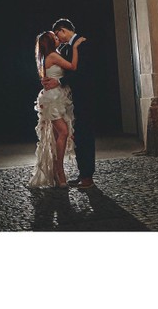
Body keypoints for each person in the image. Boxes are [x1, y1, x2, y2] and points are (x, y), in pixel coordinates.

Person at [42, 18, 95, 189]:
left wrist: (59, 81)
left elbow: (83, 72)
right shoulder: (64, 49)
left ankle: (87, 176)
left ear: (63, 30)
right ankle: (82, 173)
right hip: (67, 99)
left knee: (85, 135)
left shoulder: (83, 44)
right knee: (77, 135)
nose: (58, 39)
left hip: (84, 96)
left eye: (58, 35)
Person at [28, 30, 84, 189]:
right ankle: (59, 170)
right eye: (54, 37)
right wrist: (75, 47)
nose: (57, 37)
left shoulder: (50, 56)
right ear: (50, 42)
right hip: (53, 99)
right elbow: (73, 66)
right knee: (64, 132)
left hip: (55, 97)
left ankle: (55, 171)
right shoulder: (52, 56)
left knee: (55, 135)